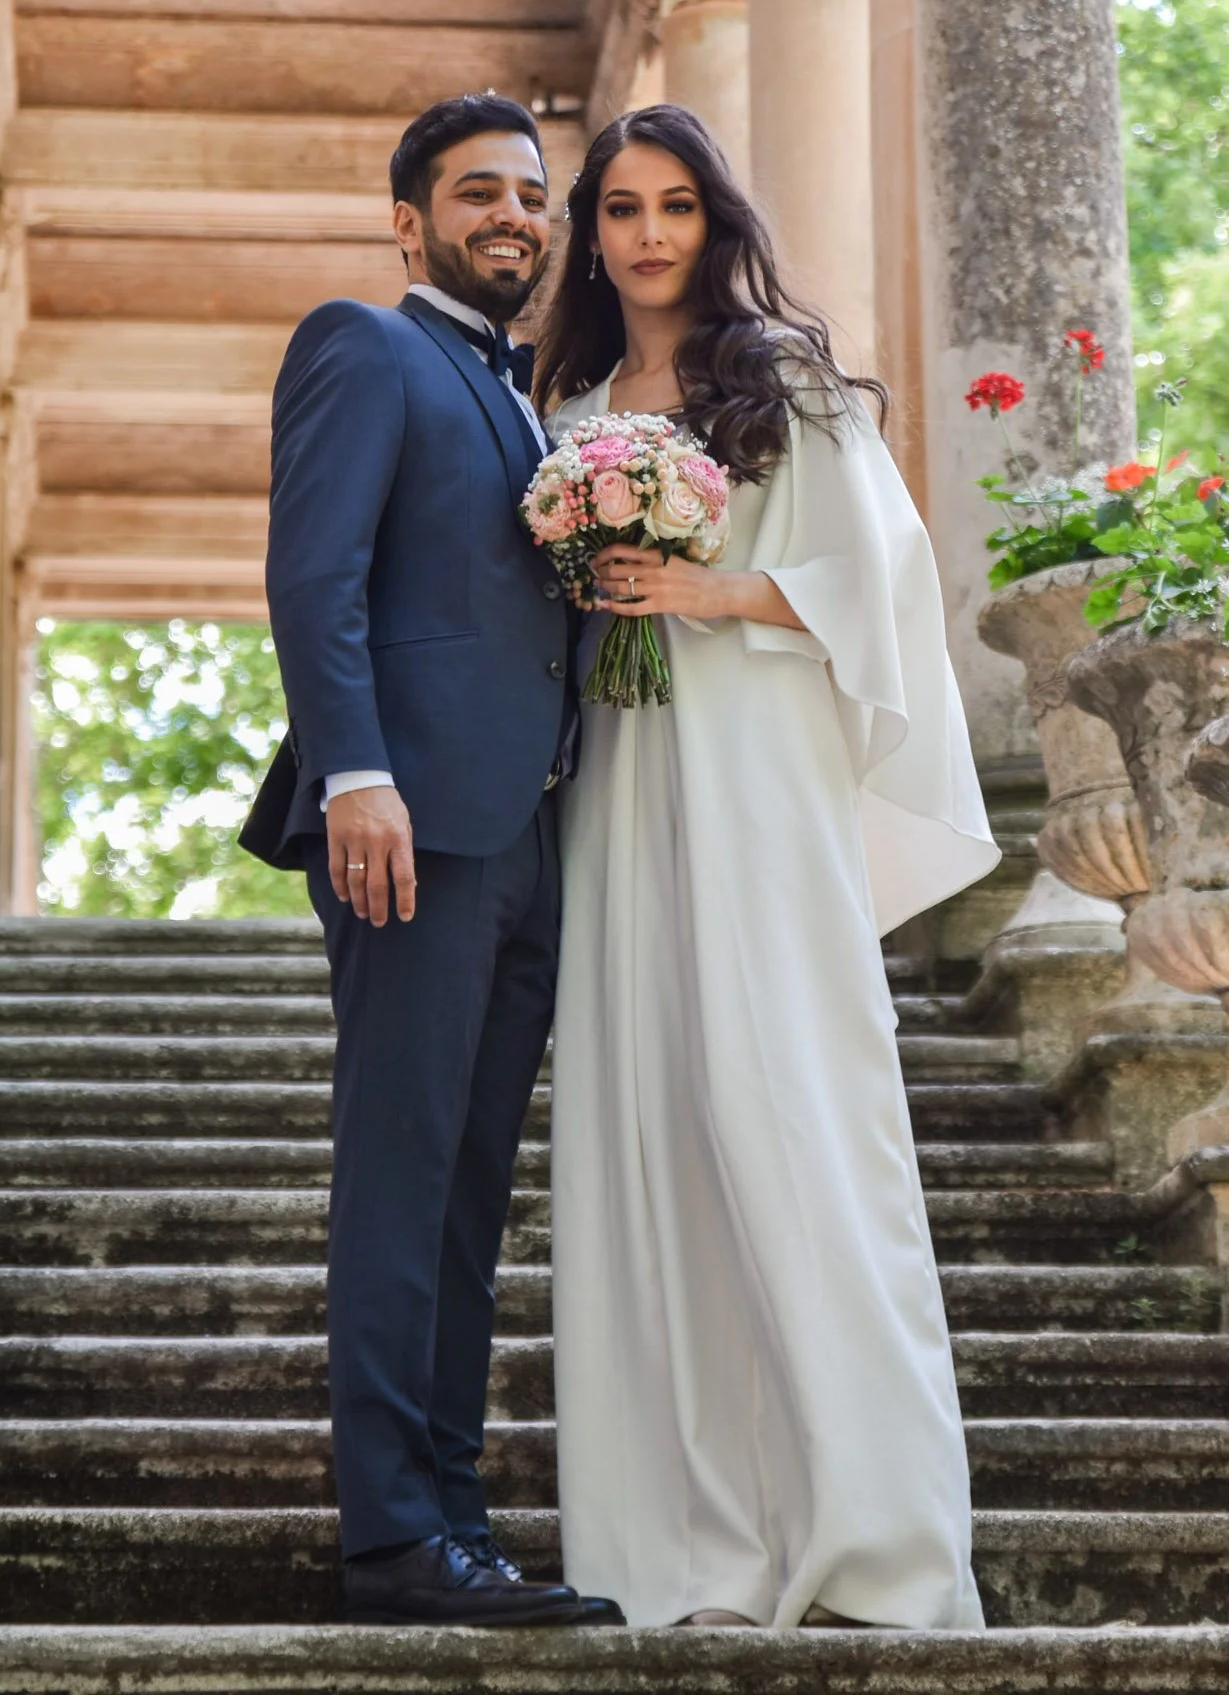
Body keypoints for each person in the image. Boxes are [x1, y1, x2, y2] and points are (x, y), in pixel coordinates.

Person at [535, 104, 999, 1632]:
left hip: (758, 785)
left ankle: (872, 1537)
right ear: (589, 235)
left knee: (794, 1116)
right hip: (621, 782)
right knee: (646, 1128)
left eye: (674, 204)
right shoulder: (574, 401)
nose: (648, 233)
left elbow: (880, 585)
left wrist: (708, 586)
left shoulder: (781, 381)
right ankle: (680, 1541)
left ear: (715, 221)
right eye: (620, 209)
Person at [240, 94, 620, 1629]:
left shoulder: (532, 402)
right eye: (478, 194)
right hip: (410, 832)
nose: (515, 215)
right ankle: (394, 1540)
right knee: (403, 1183)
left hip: (532, 828)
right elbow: (312, 571)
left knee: (470, 1194)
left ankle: (454, 1524)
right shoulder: (362, 342)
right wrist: (358, 774)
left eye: (533, 193)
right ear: (412, 224)